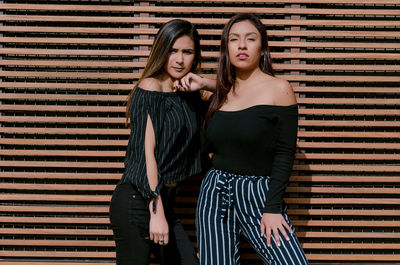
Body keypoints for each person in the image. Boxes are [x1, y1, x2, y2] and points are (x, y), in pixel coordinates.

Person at [195, 13, 309, 265]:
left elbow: (284, 152)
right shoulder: (220, 93)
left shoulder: (279, 88)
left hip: (259, 192)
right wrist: (202, 82)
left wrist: (273, 207)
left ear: (262, 47)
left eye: (250, 38)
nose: (242, 45)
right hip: (215, 191)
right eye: (234, 39)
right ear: (226, 48)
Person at [109, 19, 209, 265]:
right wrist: (157, 212)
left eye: (187, 52)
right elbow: (147, 153)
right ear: (161, 50)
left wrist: (205, 83)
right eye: (172, 51)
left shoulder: (188, 94)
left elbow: (232, 93)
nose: (179, 59)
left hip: (164, 202)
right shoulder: (150, 87)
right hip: (138, 202)